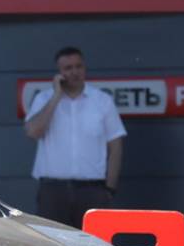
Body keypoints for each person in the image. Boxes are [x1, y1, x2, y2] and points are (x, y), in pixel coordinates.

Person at [23, 46, 127, 229]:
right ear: (59, 73)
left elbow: (116, 146)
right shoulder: (44, 99)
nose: (74, 72)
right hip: (53, 191)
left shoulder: (102, 101)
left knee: (92, 243)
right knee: (52, 243)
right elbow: (33, 132)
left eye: (78, 66)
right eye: (68, 68)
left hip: (92, 191)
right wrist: (56, 96)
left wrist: (109, 188)